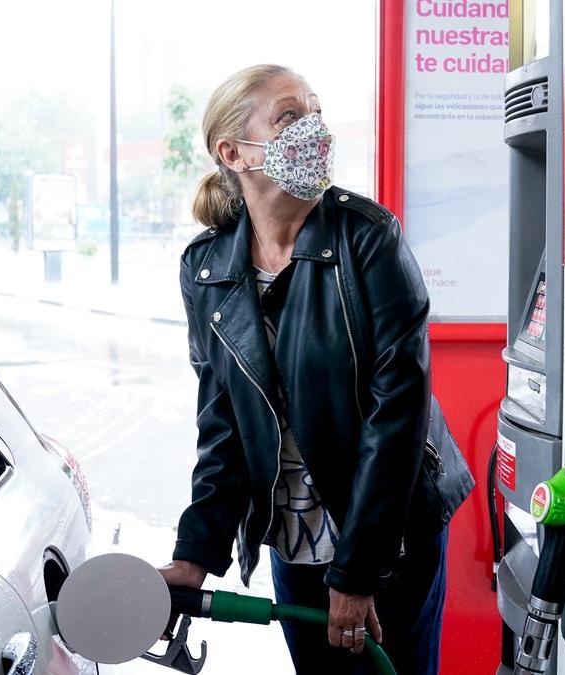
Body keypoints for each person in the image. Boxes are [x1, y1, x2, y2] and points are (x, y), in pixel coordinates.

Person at [158, 64, 474, 674]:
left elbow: (398, 414)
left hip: (390, 533)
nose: (315, 130)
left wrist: (359, 570)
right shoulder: (208, 269)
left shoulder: (368, 238)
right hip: (295, 537)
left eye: (316, 112)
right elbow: (223, 424)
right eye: (288, 117)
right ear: (233, 152)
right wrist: (195, 552)